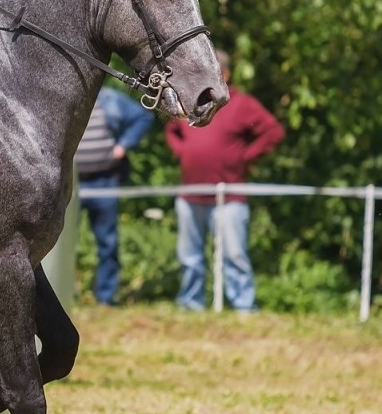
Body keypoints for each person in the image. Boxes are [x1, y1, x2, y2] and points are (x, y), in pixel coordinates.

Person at [164, 50, 285, 312]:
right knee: (190, 256)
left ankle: (243, 305)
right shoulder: (191, 100)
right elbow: (172, 129)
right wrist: (182, 151)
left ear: (225, 74)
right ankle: (190, 303)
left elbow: (273, 131)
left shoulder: (241, 104)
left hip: (229, 195)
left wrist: (245, 157)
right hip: (190, 194)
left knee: (235, 255)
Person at [76, 87, 153, 305]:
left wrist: (122, 146)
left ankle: (105, 298)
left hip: (104, 181)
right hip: (69, 183)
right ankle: (64, 299)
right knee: (57, 246)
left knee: (107, 242)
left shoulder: (108, 98)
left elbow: (143, 117)